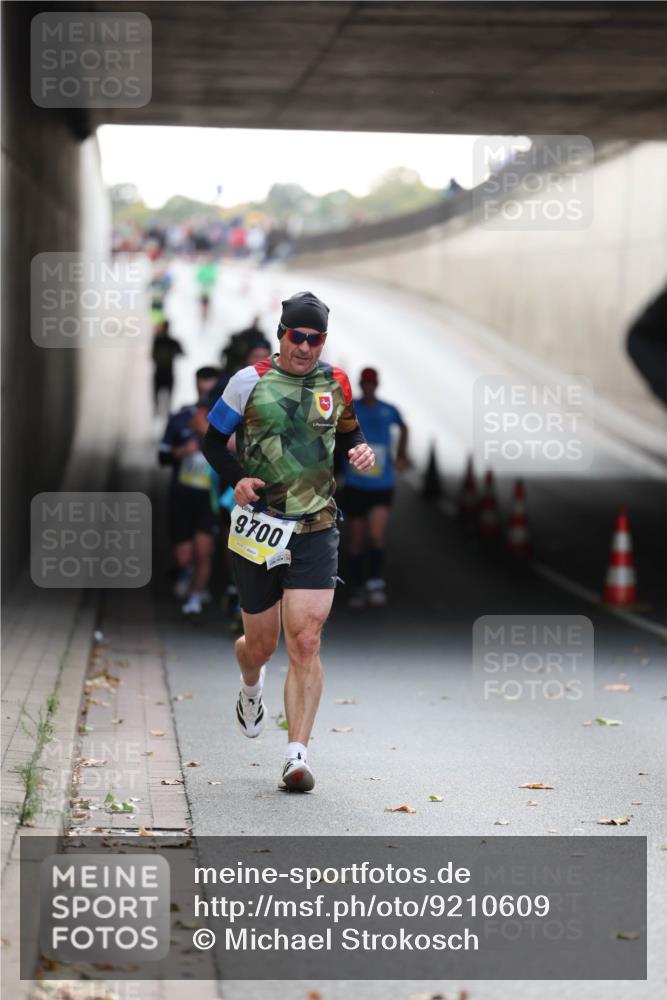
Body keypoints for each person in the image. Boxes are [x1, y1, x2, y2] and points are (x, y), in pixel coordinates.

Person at [202, 292, 374, 792]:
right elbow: (213, 441)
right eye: (296, 336)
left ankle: (296, 755)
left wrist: (359, 450)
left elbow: (349, 434)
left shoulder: (335, 382)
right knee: (261, 644)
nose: (304, 346)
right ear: (281, 334)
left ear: (323, 340)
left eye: (314, 338)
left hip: (316, 525)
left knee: (305, 639)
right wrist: (236, 478)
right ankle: (250, 684)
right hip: (260, 527)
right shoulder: (248, 382)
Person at [342, 367, 409, 608]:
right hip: (356, 484)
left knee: (377, 534)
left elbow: (404, 427)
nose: (369, 387)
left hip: (381, 484)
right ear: (361, 385)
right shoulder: (352, 409)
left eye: (372, 383)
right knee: (356, 539)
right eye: (366, 383)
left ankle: (375, 581)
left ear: (376, 385)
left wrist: (401, 454)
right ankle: (358, 586)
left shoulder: (388, 410)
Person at [159, 366, 221, 618]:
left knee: (203, 551)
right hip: (182, 497)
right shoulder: (180, 419)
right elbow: (162, 457)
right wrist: (180, 452)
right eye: (202, 392)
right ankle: (186, 572)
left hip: (209, 499)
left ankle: (195, 598)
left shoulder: (229, 425)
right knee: (184, 556)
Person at [151, 319, 184, 415]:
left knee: (156, 395)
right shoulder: (173, 342)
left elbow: (152, 356)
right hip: (169, 373)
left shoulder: (157, 340)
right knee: (169, 396)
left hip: (159, 372)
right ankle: (166, 411)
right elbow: (182, 353)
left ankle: (156, 410)